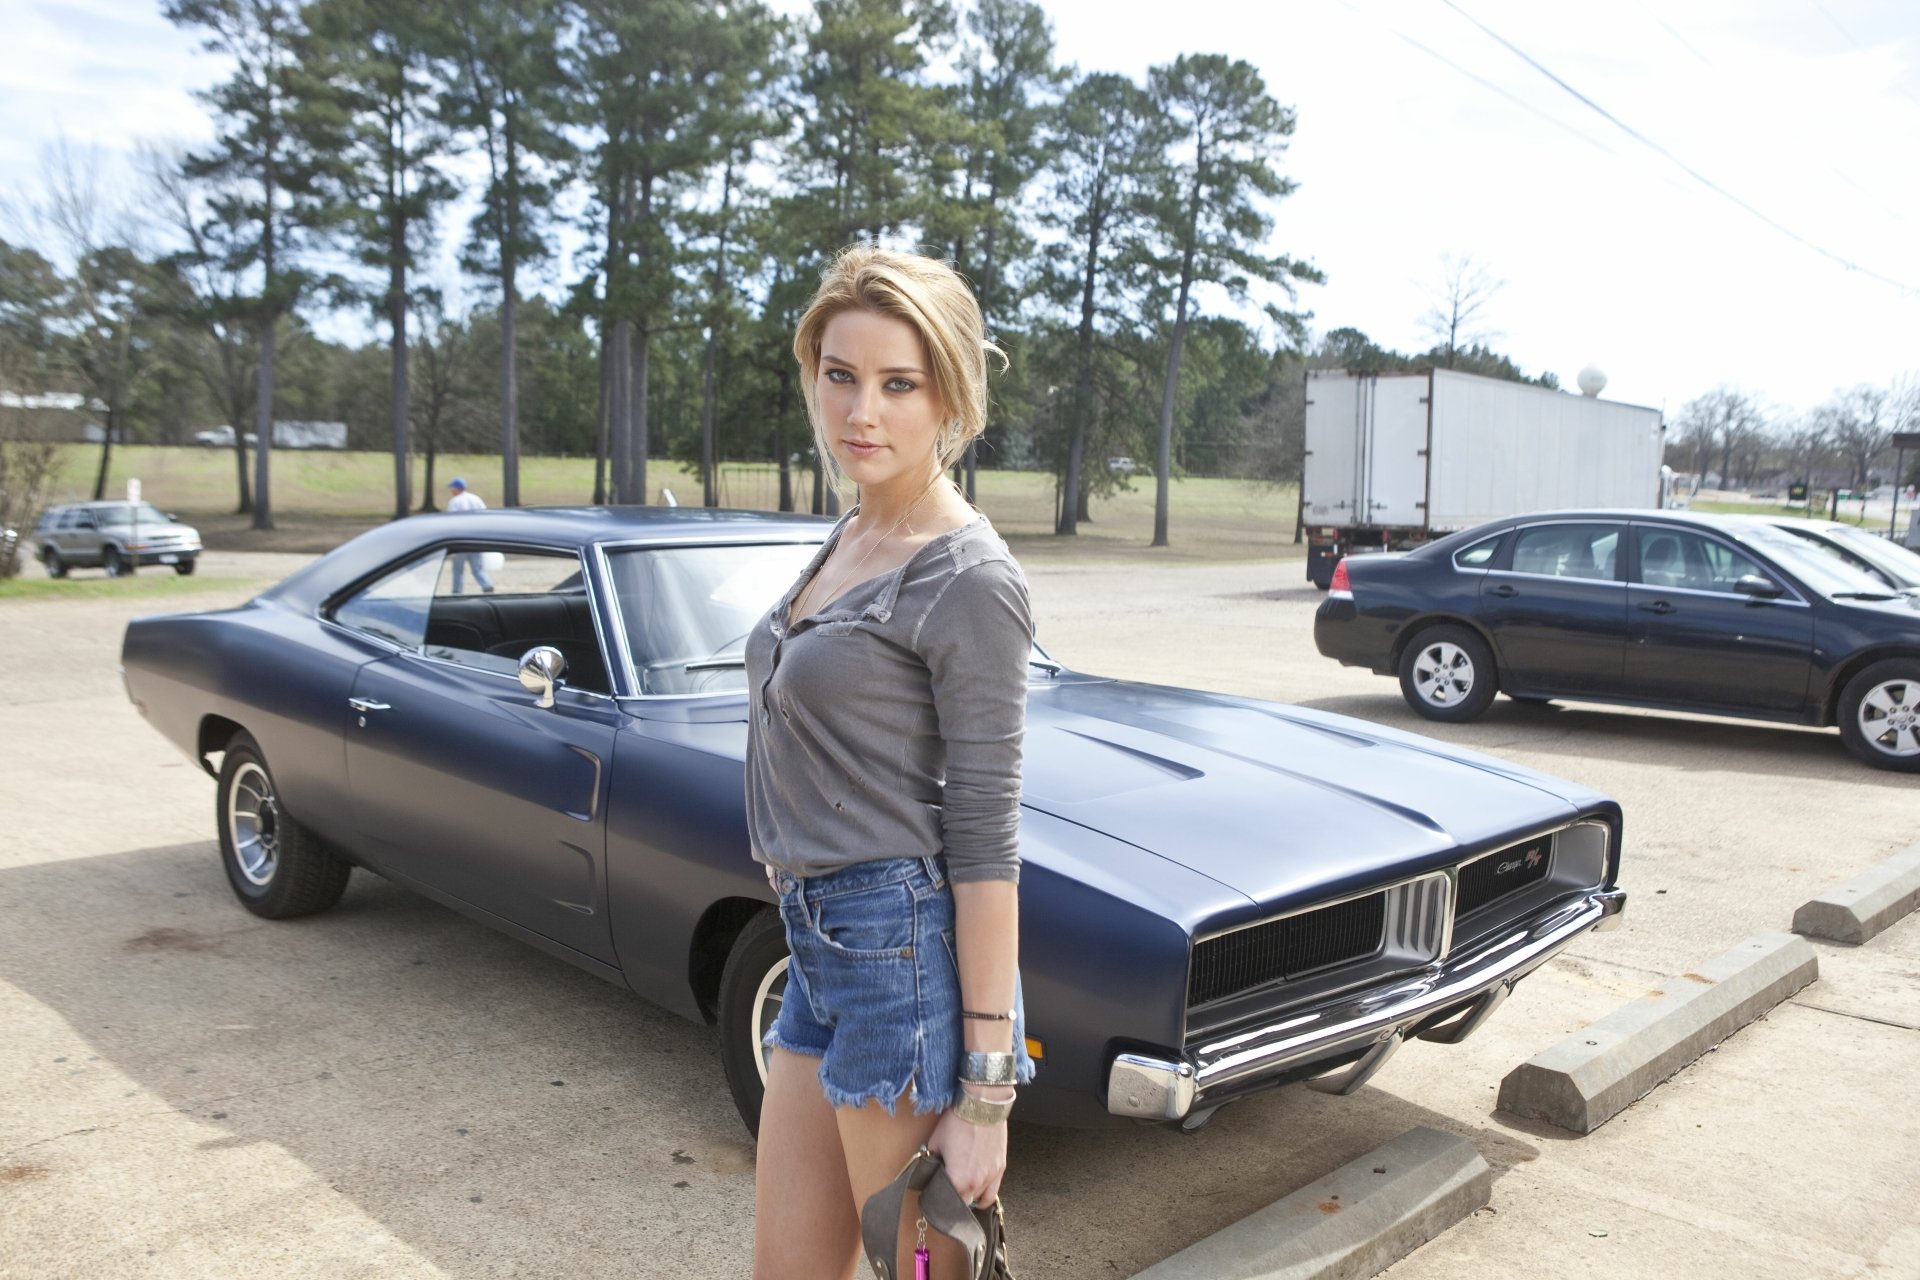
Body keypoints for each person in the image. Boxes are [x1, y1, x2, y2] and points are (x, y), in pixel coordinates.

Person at [747, 246, 1033, 1280]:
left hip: (898, 956)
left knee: (921, 1271)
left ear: (949, 394)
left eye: (897, 383)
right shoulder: (856, 532)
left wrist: (985, 1096)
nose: (861, 410)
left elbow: (989, 840)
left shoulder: (969, 576)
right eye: (840, 375)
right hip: (816, 949)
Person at [445, 478, 494, 594]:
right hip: (476, 538)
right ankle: (486, 584)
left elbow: (451, 521)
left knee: (458, 569)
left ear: (456, 488)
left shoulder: (455, 501)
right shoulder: (476, 499)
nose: (451, 490)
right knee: (477, 568)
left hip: (461, 538)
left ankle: (457, 591)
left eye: (452, 487)